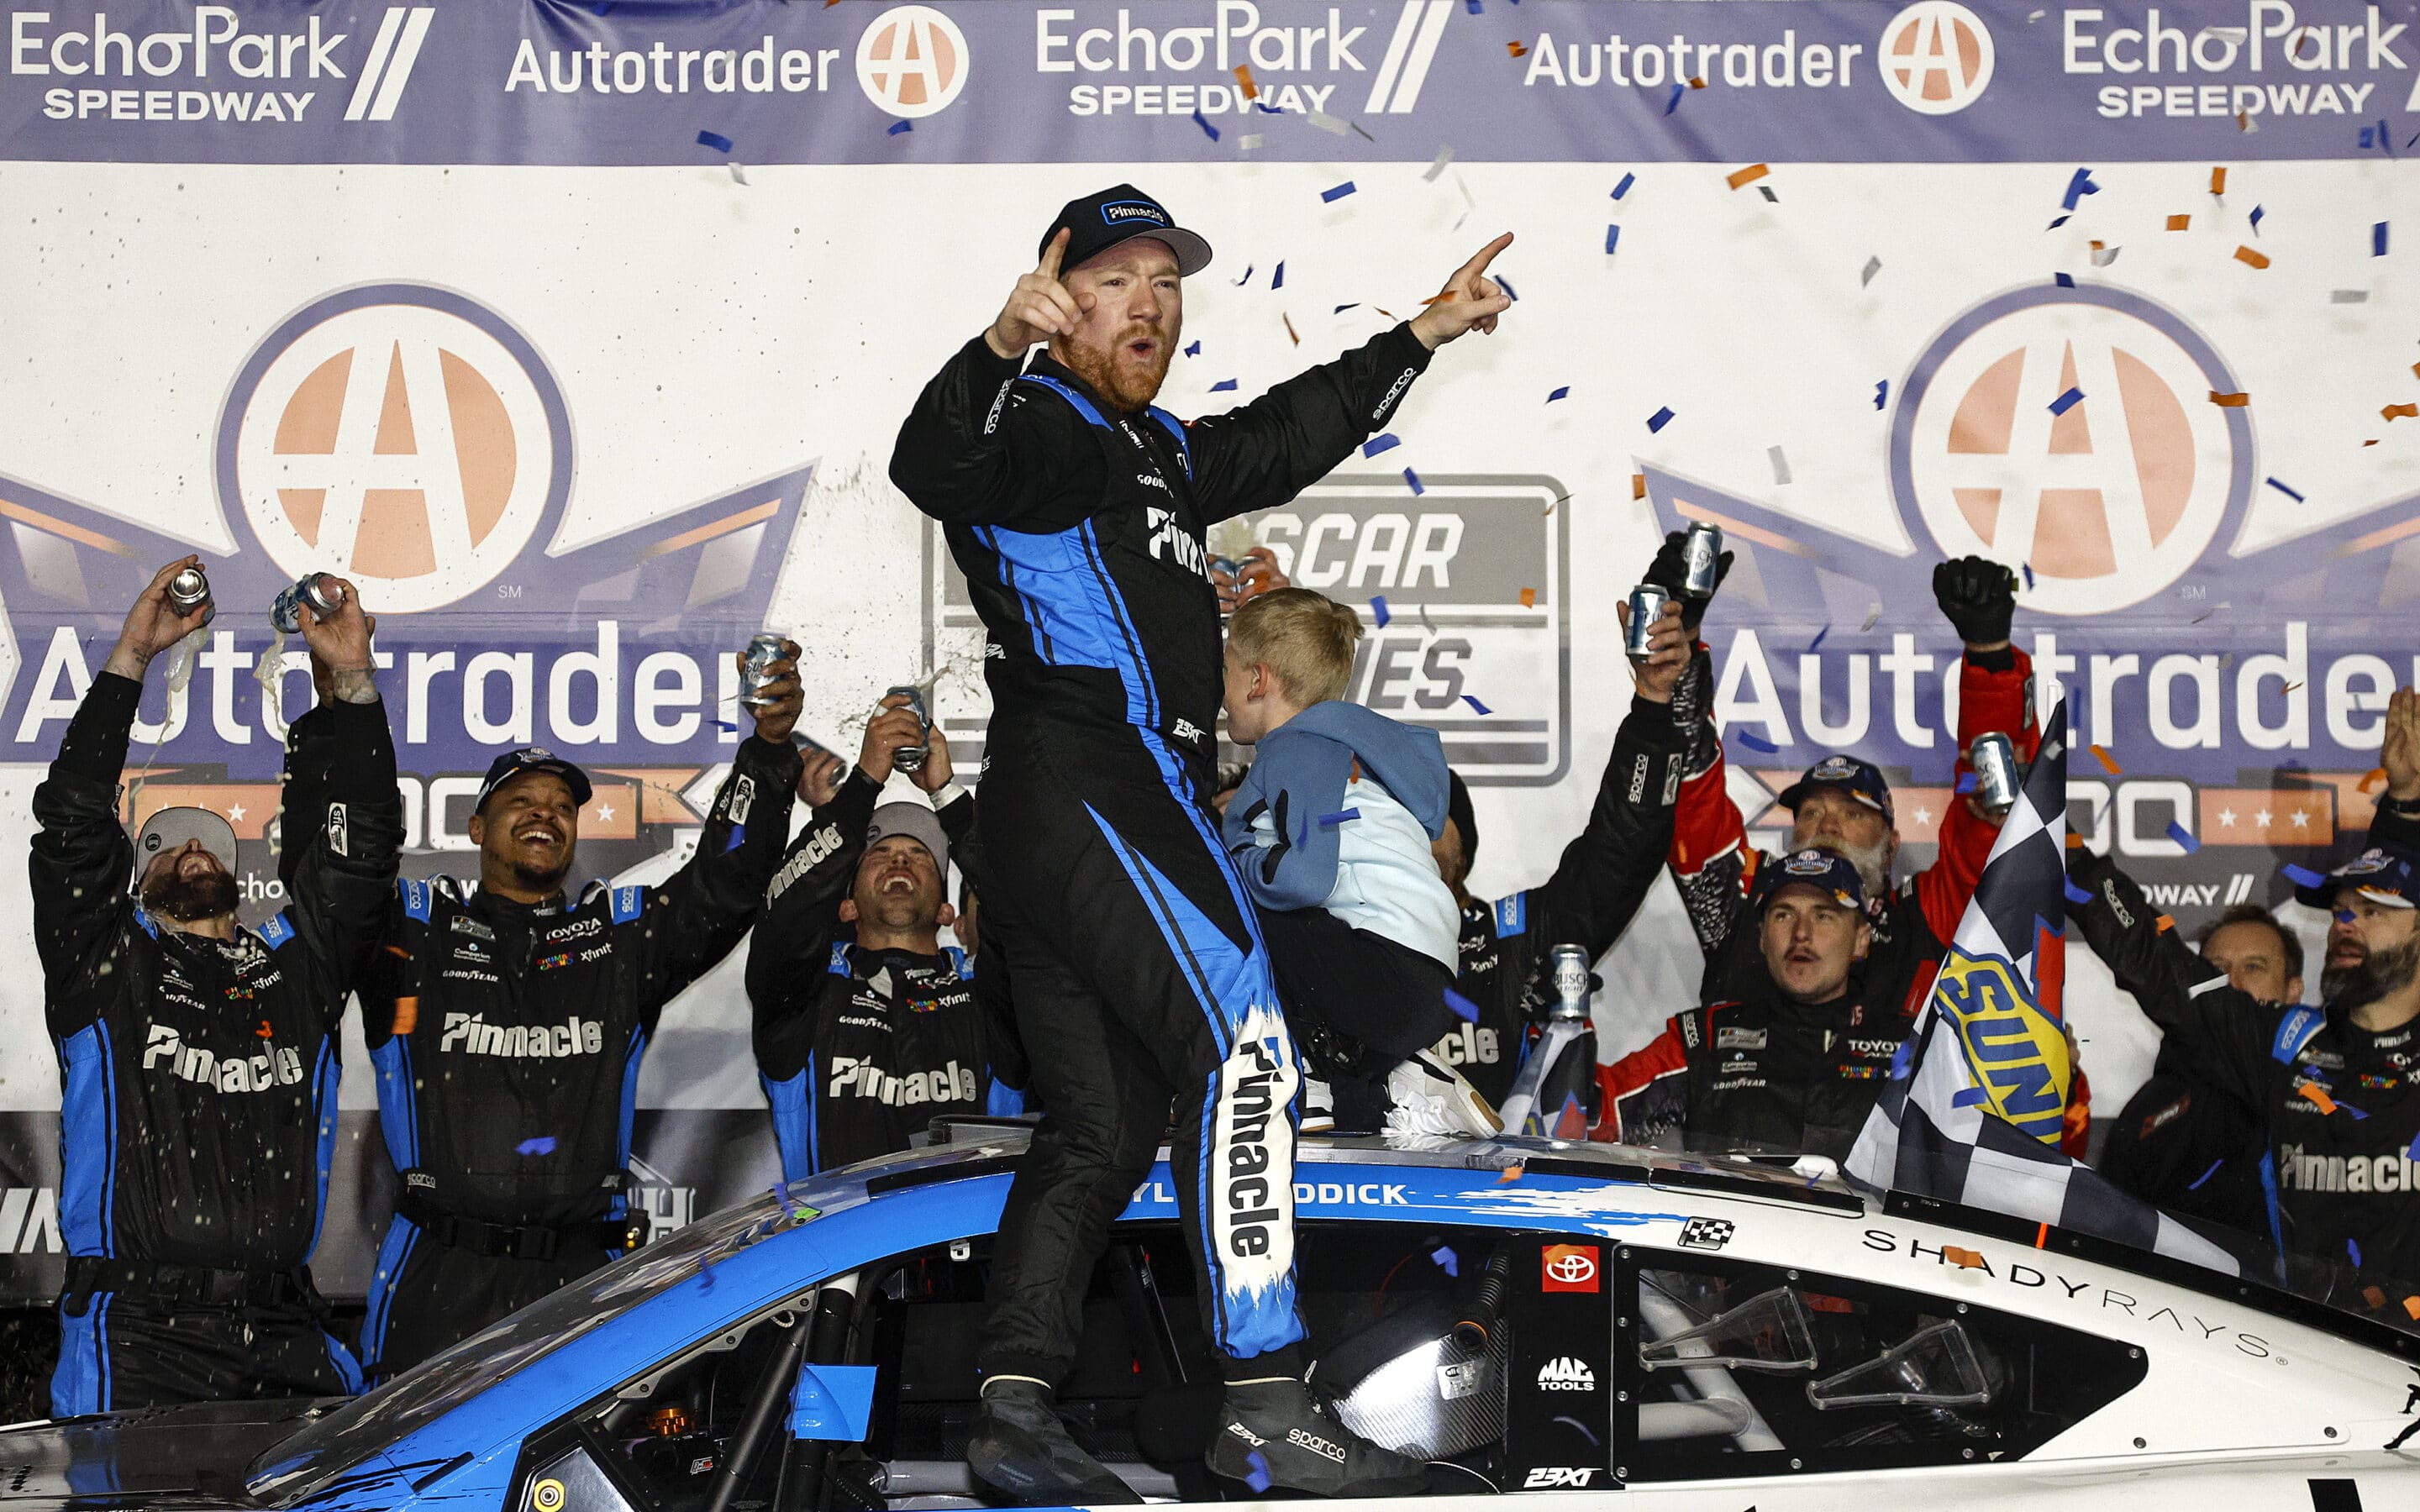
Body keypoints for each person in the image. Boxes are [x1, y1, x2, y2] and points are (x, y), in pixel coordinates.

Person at [890, 181, 1513, 1500]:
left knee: (1104, 1123)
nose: (1154, 308)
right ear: (1058, 291)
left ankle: (1011, 1407)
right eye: (1120, 280)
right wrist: (999, 345)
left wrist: (1419, 336)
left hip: (1078, 814)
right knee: (1245, 1043)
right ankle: (1267, 1398)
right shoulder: (1036, 425)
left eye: (1169, 287)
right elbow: (930, 467)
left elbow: (1280, 440)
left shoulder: (1156, 448)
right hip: (1091, 779)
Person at [353, 642, 804, 1381]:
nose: (546, 816)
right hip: (440, 1271)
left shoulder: (620, 939)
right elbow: (343, 873)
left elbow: (725, 885)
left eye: (563, 808)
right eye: (522, 803)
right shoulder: (416, 936)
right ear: (476, 827)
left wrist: (767, 752)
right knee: (410, 1492)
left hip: (577, 1276)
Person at [33, 559, 398, 1414]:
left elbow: (364, 851)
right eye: (163, 846)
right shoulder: (106, 967)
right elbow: (73, 822)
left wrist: (352, 681)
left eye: (209, 844)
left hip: (282, 1325)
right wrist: (131, 656)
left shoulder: (295, 969)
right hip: (137, 1330)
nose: (192, 851)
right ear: (135, 883)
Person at [1652, 545, 2088, 1152]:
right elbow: (1693, 793)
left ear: (1890, 847)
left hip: (1886, 1186)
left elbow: (1993, 826)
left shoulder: (1924, 913)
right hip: (1740, 1169)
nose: (1827, 821)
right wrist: (1681, 643)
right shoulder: (1749, 899)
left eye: (1853, 813)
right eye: (1809, 811)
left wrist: (1990, 658)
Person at [2070, 685, 2420, 1286]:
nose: (2345, 924)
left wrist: (2409, 806)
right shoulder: (2285, 1044)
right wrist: (2064, 851)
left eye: (2373, 910)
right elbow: (2154, 962)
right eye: (2340, 909)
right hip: (2315, 1360)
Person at [1218, 588, 1481, 1136]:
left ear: (1257, 680)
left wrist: (1236, 850)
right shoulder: (1350, 752)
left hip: (1380, 971)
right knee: (1351, 1132)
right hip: (1427, 980)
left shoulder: (1299, 750)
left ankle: (1303, 1076)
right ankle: (1398, 1087)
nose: (1218, 694)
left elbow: (1308, 879)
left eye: (1224, 670)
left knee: (1234, 894)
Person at [750, 696, 1023, 1178]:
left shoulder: (989, 992)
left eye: (920, 856)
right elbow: (784, 910)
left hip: (972, 1248)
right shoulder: (807, 993)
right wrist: (863, 784)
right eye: (881, 853)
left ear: (946, 908)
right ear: (847, 903)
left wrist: (948, 796)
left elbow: (1027, 913)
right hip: (841, 1250)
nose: (899, 860)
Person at [1596, 849, 1892, 1160]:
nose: (1802, 933)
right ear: (1762, 938)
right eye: (1784, 914)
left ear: (1861, 939)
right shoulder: (1709, 1035)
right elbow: (1598, 1113)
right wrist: (1560, 1028)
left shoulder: (1906, 1046)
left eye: (1823, 915)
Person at [2096, 903, 2302, 1236]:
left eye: (2254, 967)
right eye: (2215, 970)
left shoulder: (2317, 1092)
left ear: (2293, 992)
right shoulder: (2148, 1109)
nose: (2232, 983)